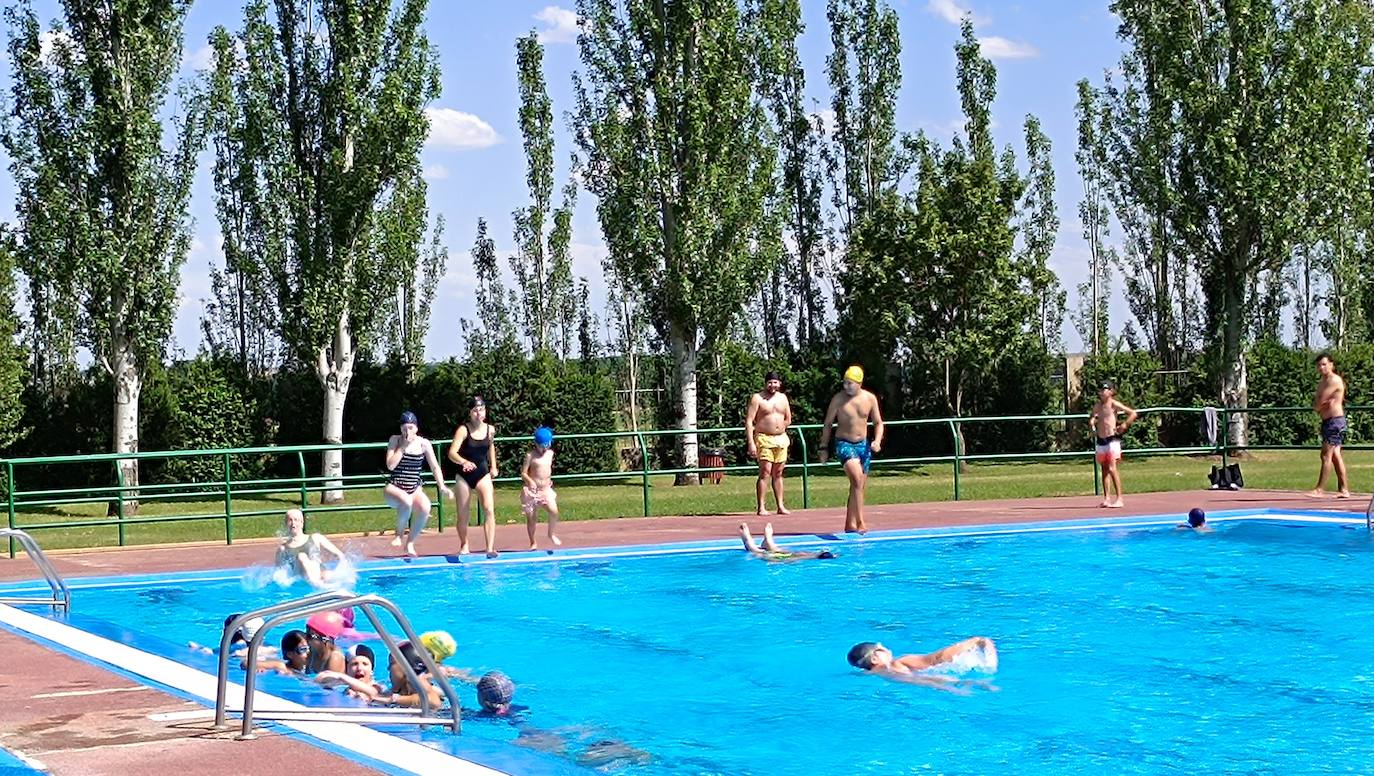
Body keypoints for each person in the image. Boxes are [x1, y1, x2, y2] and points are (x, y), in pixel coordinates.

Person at [818, 365, 885, 533]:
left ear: (859, 383)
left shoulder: (870, 399)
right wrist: (824, 448)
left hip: (863, 446)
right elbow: (827, 424)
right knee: (856, 480)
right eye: (844, 383)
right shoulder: (838, 399)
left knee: (858, 487)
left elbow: (878, 423)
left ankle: (849, 524)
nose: (846, 386)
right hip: (844, 444)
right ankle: (861, 521)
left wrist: (877, 441)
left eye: (850, 383)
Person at [383, 411, 454, 557]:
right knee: (406, 502)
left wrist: (442, 486)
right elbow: (390, 466)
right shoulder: (395, 440)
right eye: (404, 428)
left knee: (425, 507)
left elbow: (435, 466)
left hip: (414, 488)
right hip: (394, 488)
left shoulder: (423, 443)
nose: (407, 431)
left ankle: (409, 544)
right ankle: (399, 535)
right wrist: (403, 447)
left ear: (416, 428)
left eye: (410, 427)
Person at [449, 396, 501, 558]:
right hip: (464, 476)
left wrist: (493, 466)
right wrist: (464, 461)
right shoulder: (463, 430)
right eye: (475, 410)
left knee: (489, 509)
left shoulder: (490, 429)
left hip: (482, 473)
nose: (479, 413)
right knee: (463, 514)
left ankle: (490, 548)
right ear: (470, 413)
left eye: (481, 409)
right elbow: (452, 453)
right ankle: (464, 545)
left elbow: (491, 446)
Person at [745, 370, 793, 516]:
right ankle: (761, 506)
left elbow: (788, 418)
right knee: (765, 472)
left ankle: (780, 505)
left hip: (781, 439)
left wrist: (780, 428)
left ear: (779, 383)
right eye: (770, 382)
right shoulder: (757, 398)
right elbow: (749, 421)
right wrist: (751, 443)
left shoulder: (783, 398)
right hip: (764, 438)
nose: (773, 385)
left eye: (775, 382)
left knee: (778, 473)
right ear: (766, 383)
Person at [1307, 353, 1352, 499]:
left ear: (1331, 365)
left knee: (1326, 455)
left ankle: (1320, 489)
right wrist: (1320, 404)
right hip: (1327, 421)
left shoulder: (1334, 381)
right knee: (1336, 456)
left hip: (1335, 421)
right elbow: (1317, 405)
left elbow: (1320, 402)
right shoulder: (1322, 382)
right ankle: (1344, 489)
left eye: (1324, 364)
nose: (1321, 367)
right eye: (1319, 365)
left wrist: (1321, 404)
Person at [847, 637, 998, 678]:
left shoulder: (872, 674)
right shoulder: (900, 661)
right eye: (881, 648)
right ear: (874, 658)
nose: (886, 649)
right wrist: (976, 642)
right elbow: (935, 659)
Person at [1089, 381, 1138, 509]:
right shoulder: (1098, 406)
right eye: (1101, 389)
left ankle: (1119, 498)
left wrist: (1125, 424)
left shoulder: (1114, 404)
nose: (1103, 392)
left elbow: (1133, 413)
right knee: (1104, 470)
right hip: (1101, 439)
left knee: (1112, 468)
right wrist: (1092, 423)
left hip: (1112, 439)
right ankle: (1106, 498)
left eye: (1106, 389)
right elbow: (1093, 416)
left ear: (1111, 392)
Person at [275, 508, 348, 587]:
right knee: (301, 556)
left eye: (296, 520)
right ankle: (318, 585)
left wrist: (342, 568)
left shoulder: (316, 538)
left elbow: (339, 555)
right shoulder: (283, 549)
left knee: (328, 575)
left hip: (319, 573)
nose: (293, 523)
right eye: (290, 520)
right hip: (301, 578)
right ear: (286, 524)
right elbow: (280, 573)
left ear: (302, 523)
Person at [520, 427, 562, 551]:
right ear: (536, 444)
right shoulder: (530, 456)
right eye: (542, 446)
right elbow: (523, 473)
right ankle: (533, 542)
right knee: (532, 519)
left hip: (546, 490)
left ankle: (551, 533)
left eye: (547, 446)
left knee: (554, 511)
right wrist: (530, 481)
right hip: (532, 491)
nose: (544, 449)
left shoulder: (550, 454)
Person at [373, 640, 444, 708]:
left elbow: (433, 702)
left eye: (392, 664)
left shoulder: (434, 691)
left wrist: (393, 700)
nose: (388, 668)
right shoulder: (389, 692)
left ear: (408, 667)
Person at [317, 644, 386, 699]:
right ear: (347, 670)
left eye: (365, 664)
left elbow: (374, 693)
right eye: (354, 664)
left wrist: (340, 676)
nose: (359, 668)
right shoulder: (343, 688)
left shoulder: (378, 687)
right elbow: (319, 681)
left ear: (371, 670)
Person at [738, 522, 835, 562]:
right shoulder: (809, 556)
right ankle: (768, 544)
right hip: (790, 558)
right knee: (787, 553)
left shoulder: (809, 557)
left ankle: (750, 543)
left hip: (781, 560)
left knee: (760, 553)